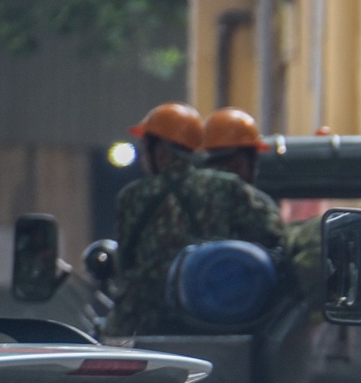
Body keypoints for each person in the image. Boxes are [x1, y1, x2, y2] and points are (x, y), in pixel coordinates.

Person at [107, 101, 285, 336]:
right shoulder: (225, 187)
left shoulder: (132, 196)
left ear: (159, 151)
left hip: (141, 321)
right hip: (212, 318)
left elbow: (124, 261)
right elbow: (273, 237)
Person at [201, 106, 268, 188]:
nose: (254, 169)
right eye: (252, 159)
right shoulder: (250, 199)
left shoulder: (189, 192)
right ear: (239, 161)